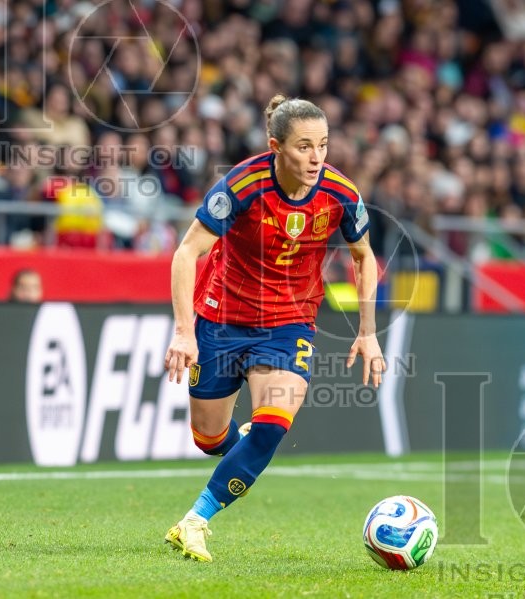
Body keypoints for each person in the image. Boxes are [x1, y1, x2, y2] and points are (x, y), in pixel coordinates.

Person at [162, 95, 386, 562]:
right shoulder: (242, 184)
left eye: (322, 145)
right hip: (222, 317)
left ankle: (195, 520)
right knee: (208, 440)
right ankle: (237, 448)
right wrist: (184, 332)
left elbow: (364, 256)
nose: (316, 157)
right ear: (276, 146)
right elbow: (187, 252)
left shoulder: (340, 192)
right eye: (304, 146)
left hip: (290, 322)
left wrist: (368, 331)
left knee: (273, 426)